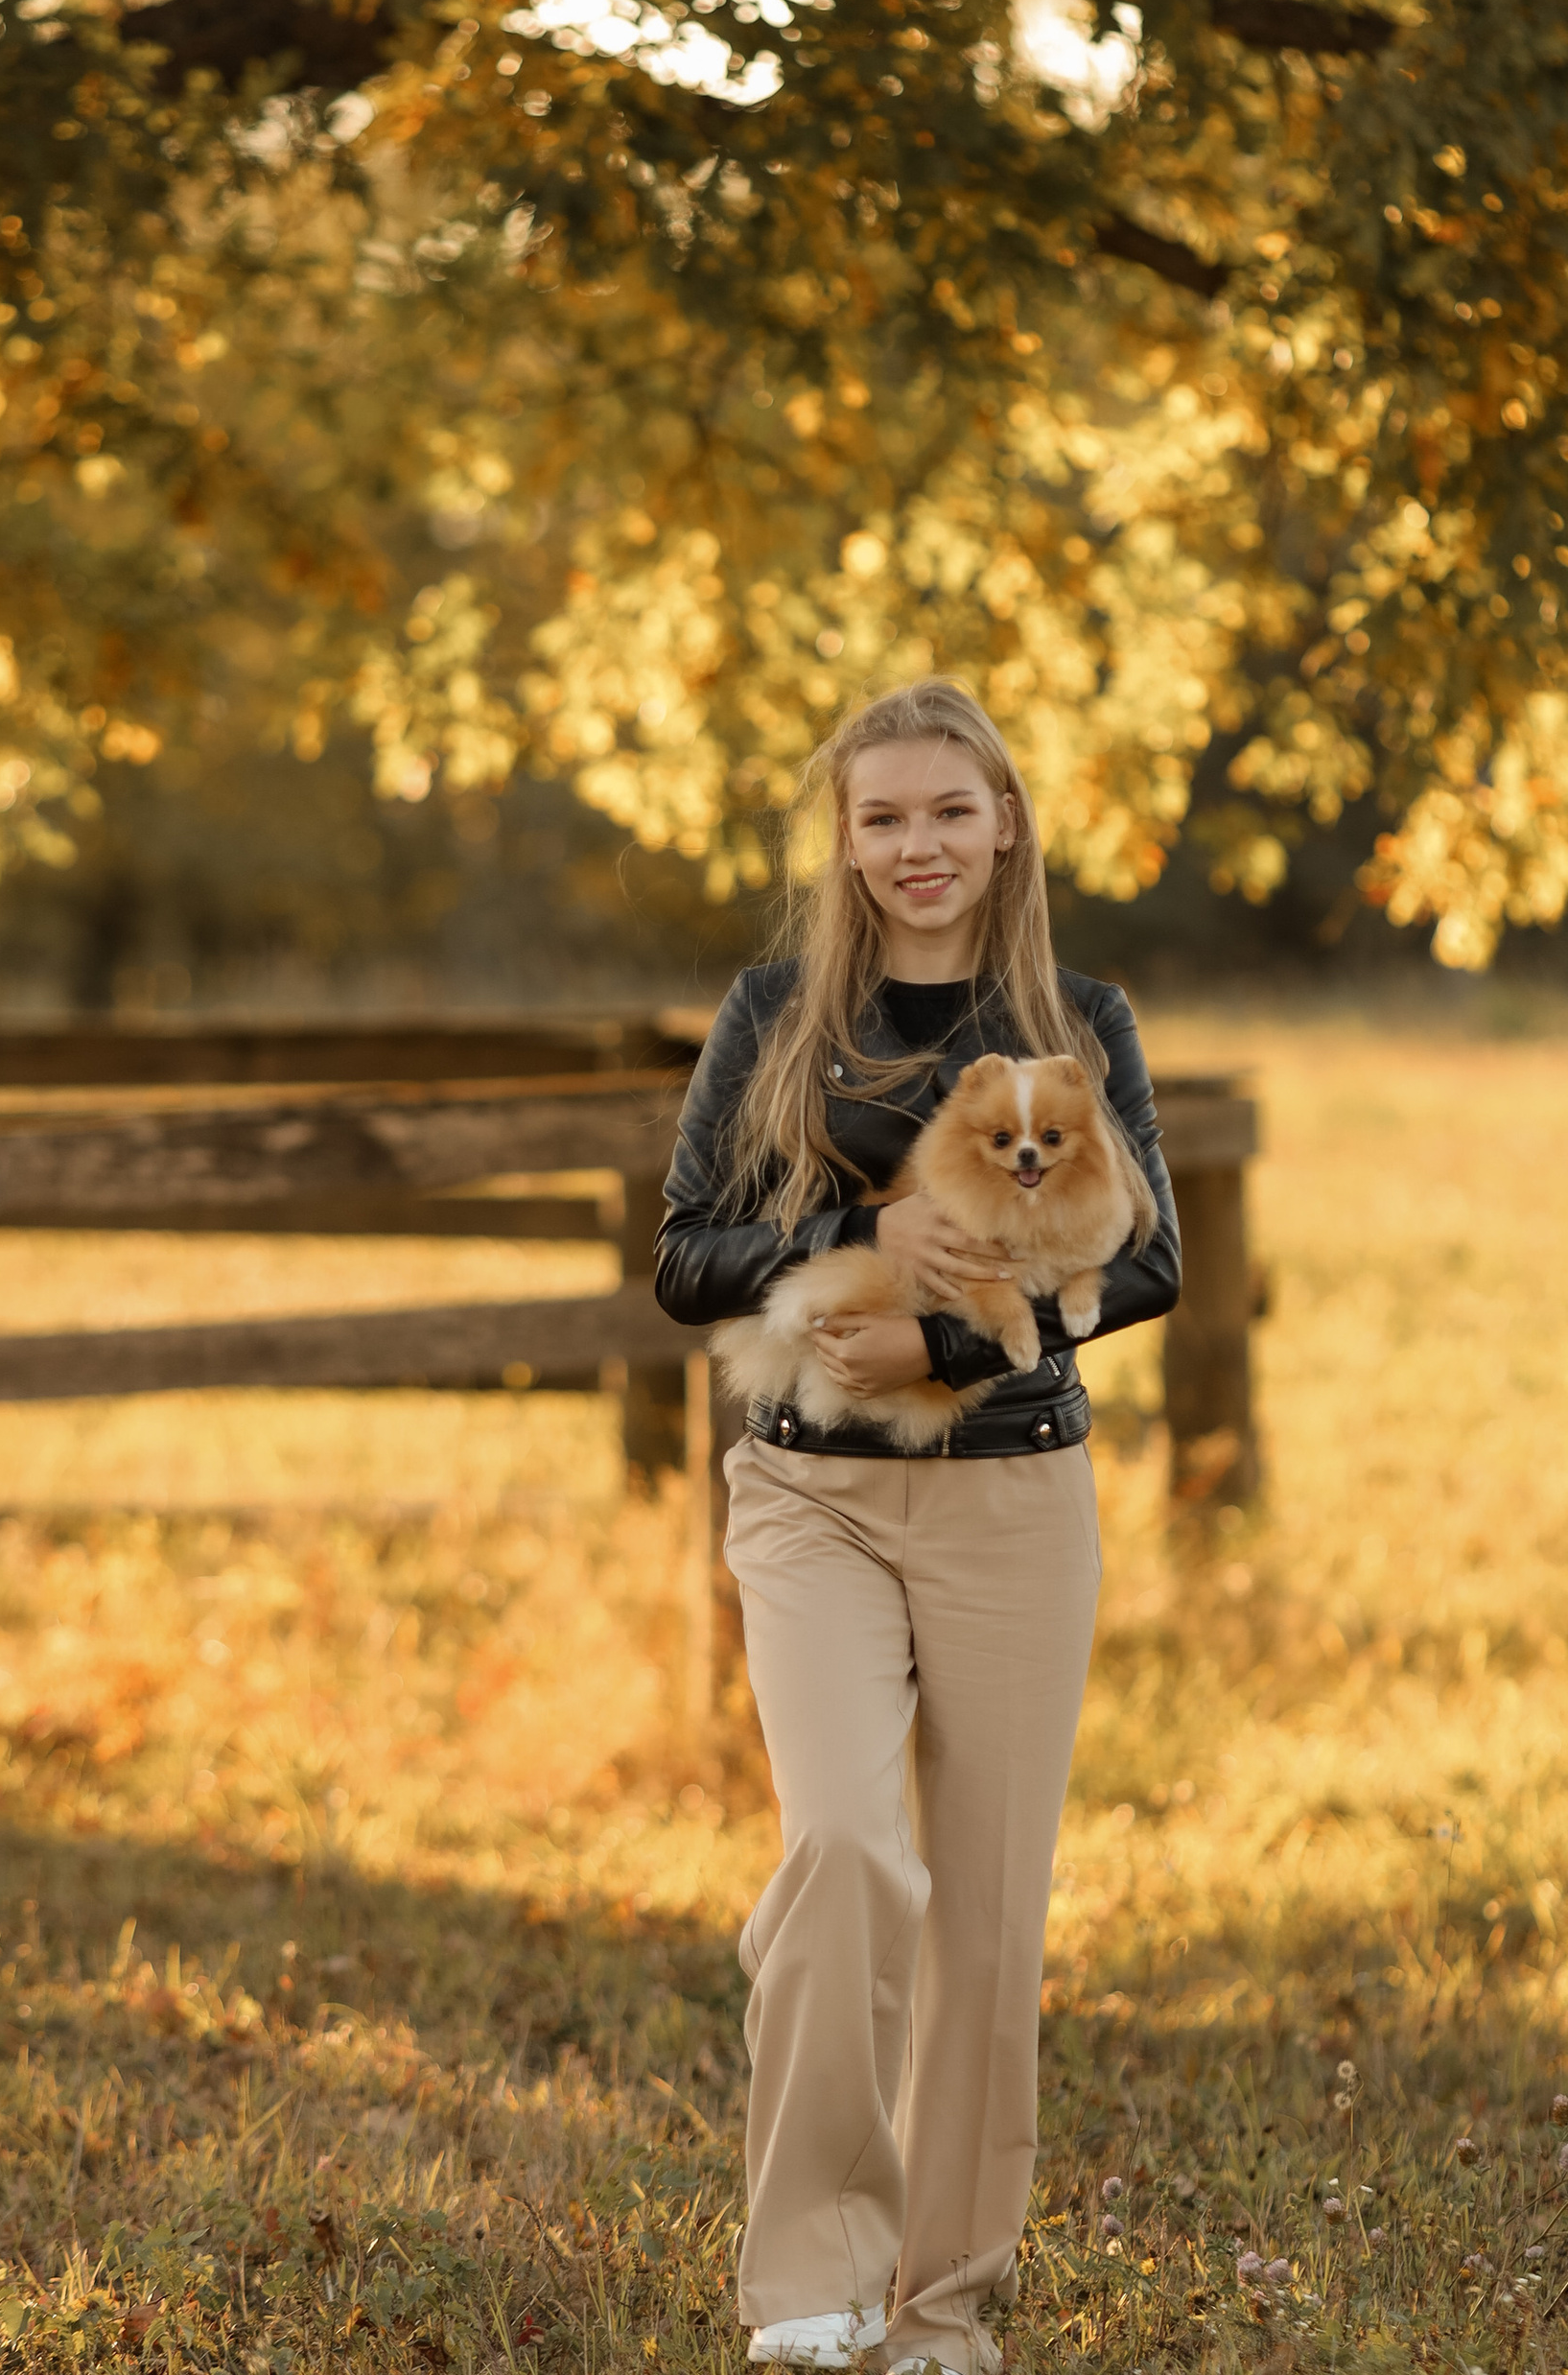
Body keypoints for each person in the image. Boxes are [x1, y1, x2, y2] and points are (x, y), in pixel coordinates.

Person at [654, 679, 1182, 2375]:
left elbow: (1150, 1259)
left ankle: (943, 2310)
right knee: (846, 1853)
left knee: (985, 1919)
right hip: (809, 1491)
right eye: (883, 818)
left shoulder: (1077, 1018)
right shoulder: (776, 1018)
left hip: (1014, 1500)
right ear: (847, 840)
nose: (918, 846)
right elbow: (685, 1259)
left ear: (1006, 821)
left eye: (949, 811)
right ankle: (807, 2276)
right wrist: (862, 1231)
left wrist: (951, 1337)